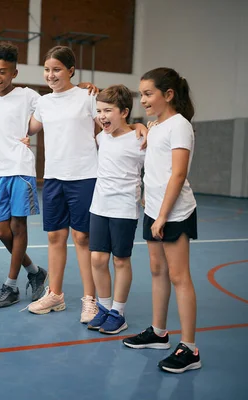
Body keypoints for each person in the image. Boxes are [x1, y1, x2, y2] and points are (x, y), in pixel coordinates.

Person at [123, 68, 201, 374]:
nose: (142, 99)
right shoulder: (157, 126)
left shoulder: (179, 126)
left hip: (174, 211)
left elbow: (178, 174)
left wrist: (164, 216)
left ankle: (191, 349)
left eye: (148, 94)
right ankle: (158, 332)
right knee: (157, 270)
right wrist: (141, 126)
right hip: (153, 208)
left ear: (168, 94)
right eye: (140, 94)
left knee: (179, 277)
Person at [26, 46, 100, 322]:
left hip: (84, 175)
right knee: (55, 237)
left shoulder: (87, 96)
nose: (51, 74)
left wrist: (139, 127)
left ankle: (90, 300)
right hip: (54, 177)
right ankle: (55, 294)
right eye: (47, 69)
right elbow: (27, 128)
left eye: (56, 69)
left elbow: (108, 121)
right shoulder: (43, 103)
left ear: (71, 70)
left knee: (82, 238)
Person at [0, 42, 48, 308]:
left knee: (18, 228)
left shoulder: (29, 96)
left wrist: (85, 92)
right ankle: (34, 272)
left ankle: (11, 286)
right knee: (1, 231)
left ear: (14, 73)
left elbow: (51, 109)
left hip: (20, 169)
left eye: (2, 72)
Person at [85, 85, 145, 334]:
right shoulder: (101, 137)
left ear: (124, 112)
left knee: (120, 260)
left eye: (108, 110)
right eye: (99, 111)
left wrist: (143, 126)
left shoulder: (140, 139)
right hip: (100, 205)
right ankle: (104, 307)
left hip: (124, 208)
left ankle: (118, 313)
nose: (102, 116)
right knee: (98, 259)